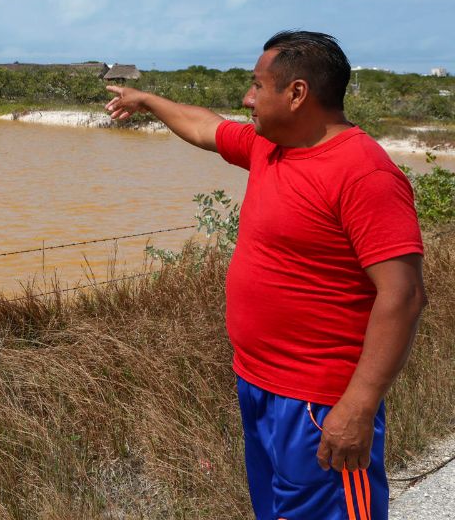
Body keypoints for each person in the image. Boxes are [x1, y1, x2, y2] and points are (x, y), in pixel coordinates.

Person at [104, 30, 426, 520]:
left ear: (297, 94)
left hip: (319, 403)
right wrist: (145, 99)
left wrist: (358, 406)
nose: (246, 99)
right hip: (257, 384)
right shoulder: (270, 147)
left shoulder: (363, 172)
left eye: (257, 86)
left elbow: (402, 296)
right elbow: (203, 127)